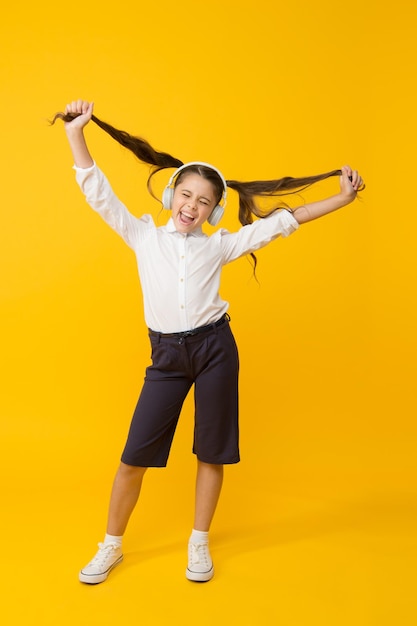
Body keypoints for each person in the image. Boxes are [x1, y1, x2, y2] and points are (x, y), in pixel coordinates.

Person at [53, 99, 364, 585]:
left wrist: (342, 199)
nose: (191, 206)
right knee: (134, 455)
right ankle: (110, 545)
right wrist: (77, 133)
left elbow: (284, 221)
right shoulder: (142, 236)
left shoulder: (220, 245)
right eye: (186, 194)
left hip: (216, 350)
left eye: (203, 201)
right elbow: (99, 193)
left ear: (215, 209)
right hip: (167, 357)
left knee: (212, 452)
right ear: (171, 193)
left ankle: (199, 543)